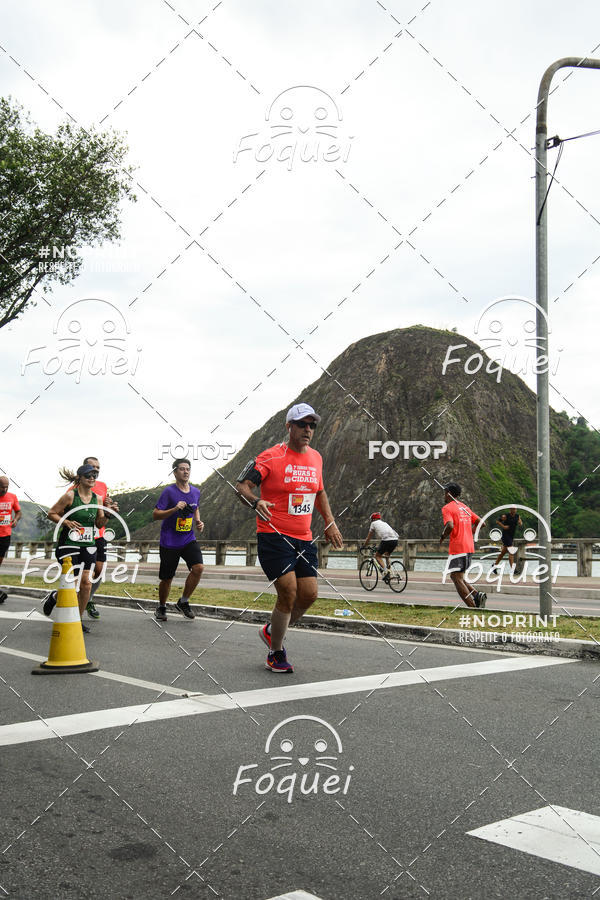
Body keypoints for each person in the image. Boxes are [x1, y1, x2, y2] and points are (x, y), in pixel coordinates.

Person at [235, 402, 343, 673]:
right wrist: (256, 501)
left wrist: (329, 523)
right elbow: (241, 486)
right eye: (302, 424)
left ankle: (273, 630)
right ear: (289, 427)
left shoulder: (316, 458)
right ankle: (276, 652)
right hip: (273, 535)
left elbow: (319, 492)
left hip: (303, 538)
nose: (308, 429)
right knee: (288, 591)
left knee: (309, 595)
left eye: (312, 425)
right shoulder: (271, 457)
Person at [44, 464, 116, 632]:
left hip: (88, 545)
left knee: (86, 583)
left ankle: (77, 620)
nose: (92, 478)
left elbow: (99, 524)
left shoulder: (97, 499)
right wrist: (67, 521)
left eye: (95, 475)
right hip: (68, 544)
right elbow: (51, 513)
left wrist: (107, 515)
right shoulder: (70, 496)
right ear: (80, 478)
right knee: (72, 582)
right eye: (88, 475)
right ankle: (55, 597)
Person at [153, 458, 204, 622]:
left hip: (188, 538)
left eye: (188, 469)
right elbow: (155, 514)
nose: (185, 471)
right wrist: (175, 508)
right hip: (169, 541)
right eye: (182, 469)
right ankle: (161, 606)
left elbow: (196, 508)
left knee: (198, 568)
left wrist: (198, 521)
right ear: (175, 472)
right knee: (167, 578)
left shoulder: (196, 491)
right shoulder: (169, 492)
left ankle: (183, 601)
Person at [78, 456, 118, 620]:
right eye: (92, 467)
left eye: (98, 468)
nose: (96, 470)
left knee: (99, 570)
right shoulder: (75, 487)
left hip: (98, 533)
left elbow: (102, 507)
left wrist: (108, 506)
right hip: (81, 535)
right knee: (81, 575)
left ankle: (89, 599)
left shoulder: (102, 486)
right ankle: (63, 600)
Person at [439, 482, 487, 609]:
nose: (443, 495)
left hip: (458, 547)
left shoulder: (447, 508)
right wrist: (469, 532)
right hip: (469, 547)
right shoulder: (465, 507)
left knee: (456, 577)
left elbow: (450, 526)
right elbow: (482, 523)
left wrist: (443, 536)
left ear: (448, 493)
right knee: (458, 576)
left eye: (444, 492)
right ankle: (477, 595)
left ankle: (473, 607)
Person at [0, 476, 21, 603]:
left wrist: (16, 520)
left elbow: (18, 512)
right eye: (2, 486)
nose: (5, 489)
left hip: (5, 534)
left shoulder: (12, 497)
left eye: (7, 486)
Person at [361, 513, 398, 581]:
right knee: (387, 555)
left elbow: (369, 537)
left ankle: (385, 571)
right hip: (395, 540)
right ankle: (389, 573)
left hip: (386, 540)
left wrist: (364, 545)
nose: (371, 521)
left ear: (373, 519)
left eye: (371, 520)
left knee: (377, 556)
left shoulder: (373, 524)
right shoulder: (384, 523)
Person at [490, 506, 523, 573]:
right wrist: (503, 526)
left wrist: (520, 523)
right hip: (505, 535)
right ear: (510, 509)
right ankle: (513, 569)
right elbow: (497, 521)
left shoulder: (517, 516)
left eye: (515, 509)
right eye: (512, 509)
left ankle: (494, 565)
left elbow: (520, 523)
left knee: (503, 553)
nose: (514, 510)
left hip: (511, 535)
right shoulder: (506, 516)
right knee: (511, 551)